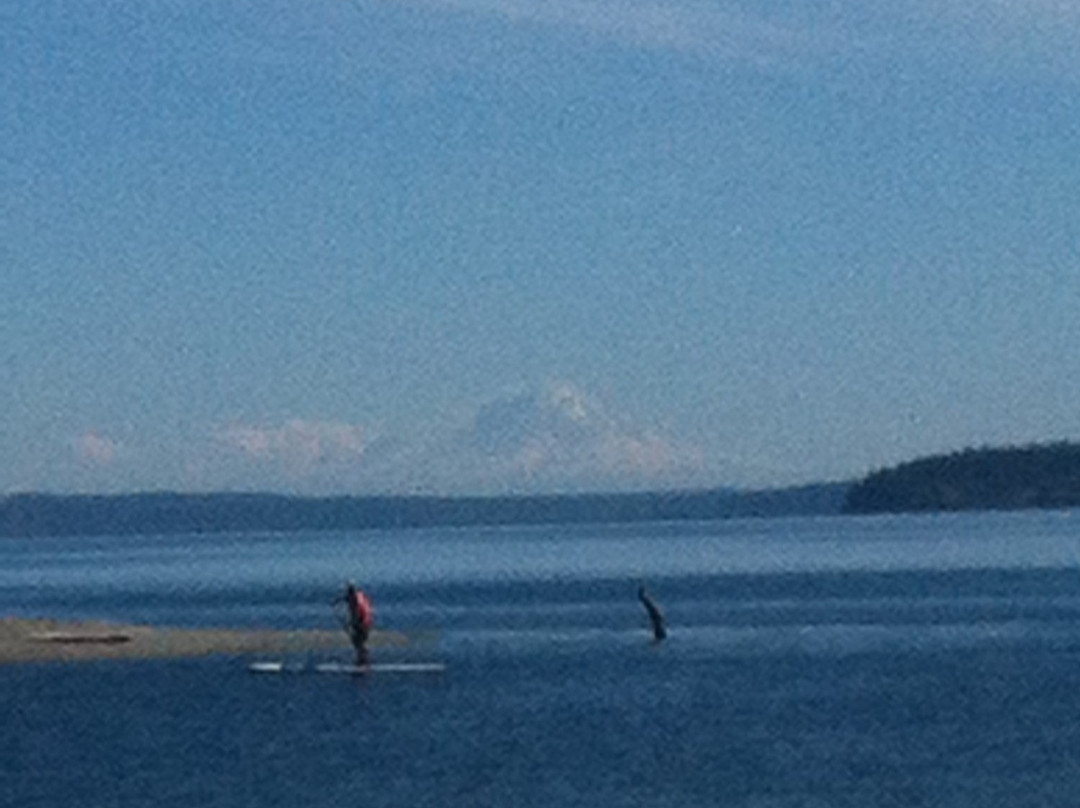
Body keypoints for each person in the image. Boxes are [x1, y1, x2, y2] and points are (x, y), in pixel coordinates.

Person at [339, 581, 374, 666]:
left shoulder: (355, 601)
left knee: (358, 642)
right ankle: (363, 660)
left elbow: (356, 614)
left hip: (361, 623)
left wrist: (351, 624)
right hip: (367, 622)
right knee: (360, 642)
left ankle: (362, 661)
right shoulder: (361, 596)